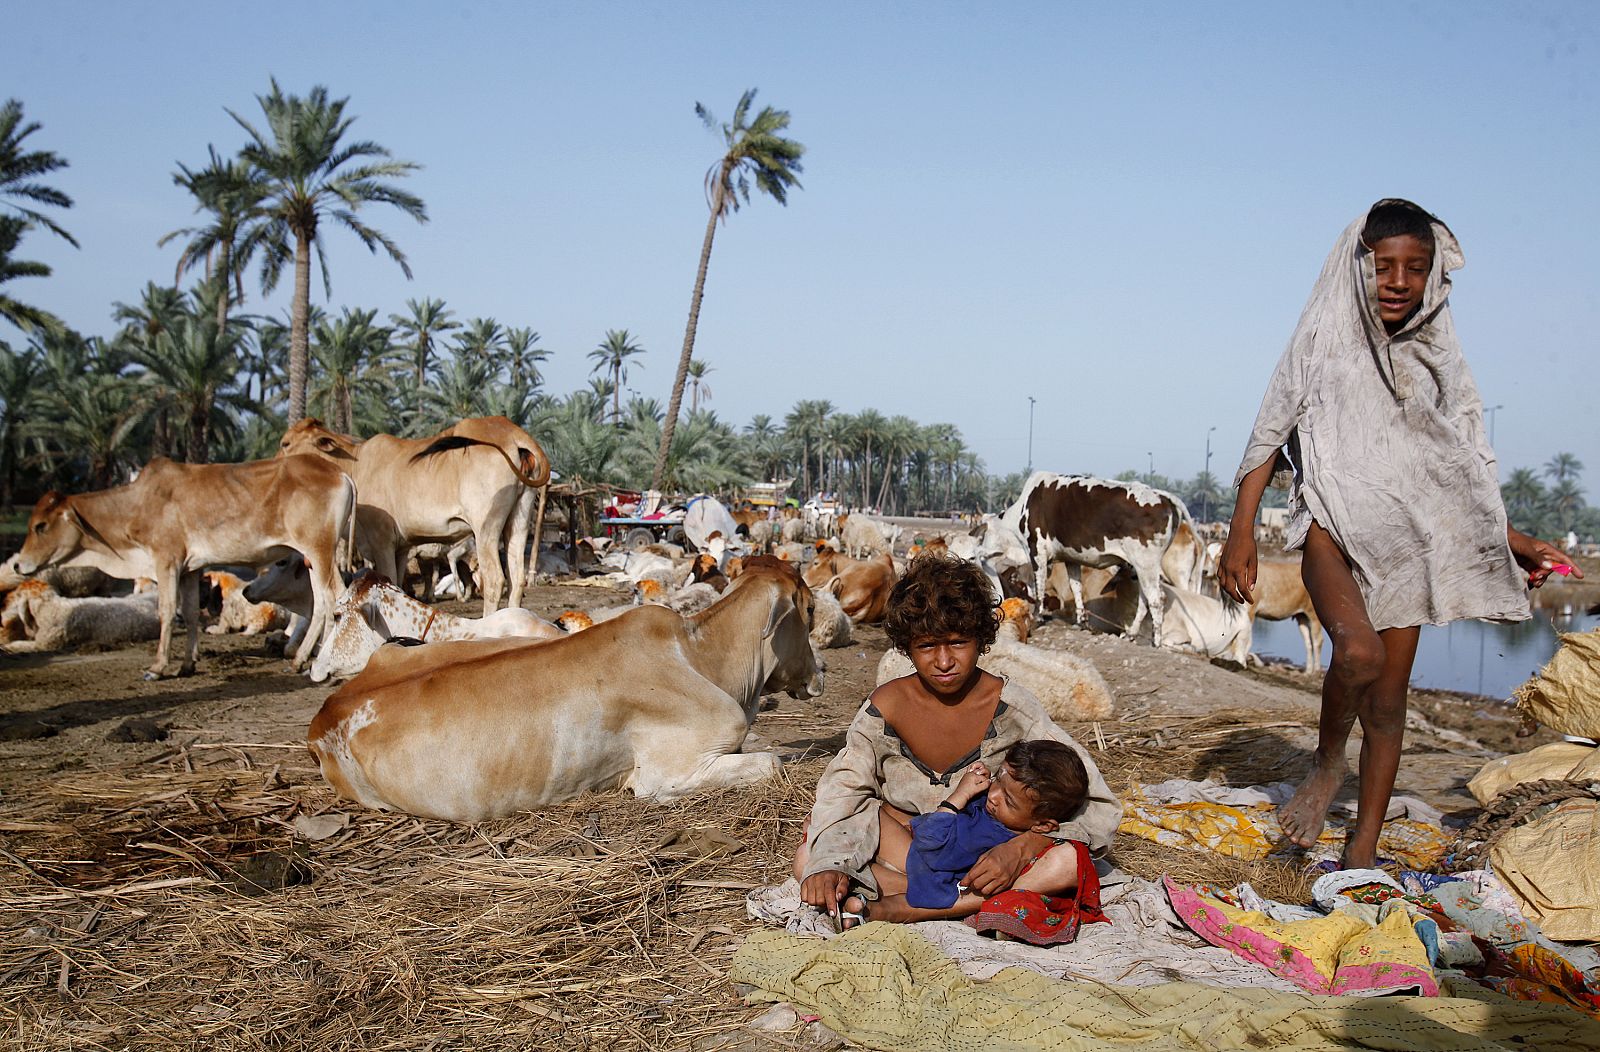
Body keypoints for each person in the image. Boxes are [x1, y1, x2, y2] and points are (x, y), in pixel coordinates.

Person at [1218, 199, 1581, 870]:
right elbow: (1269, 428)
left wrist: (1513, 539)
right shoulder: (1323, 340)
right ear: (1360, 268)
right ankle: (1327, 767)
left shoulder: (1436, 355)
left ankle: (1362, 852)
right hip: (1333, 525)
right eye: (1385, 266)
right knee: (1356, 656)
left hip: (1407, 547)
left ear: (1431, 274)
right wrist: (1242, 529)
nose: (1398, 281)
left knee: (1388, 706)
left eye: (1414, 268)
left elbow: (1461, 461)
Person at [793, 555, 1121, 925]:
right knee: (808, 859)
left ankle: (905, 906)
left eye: (958, 642)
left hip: (986, 861)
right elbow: (845, 790)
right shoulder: (882, 710)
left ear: (982, 640)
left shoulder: (1014, 710)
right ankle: (951, 901)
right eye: (928, 645)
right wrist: (830, 861)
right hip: (911, 850)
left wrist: (1024, 846)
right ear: (906, 646)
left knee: (1067, 864)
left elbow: (1099, 805)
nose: (944, 661)